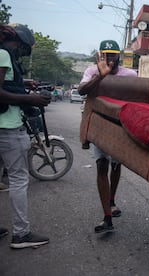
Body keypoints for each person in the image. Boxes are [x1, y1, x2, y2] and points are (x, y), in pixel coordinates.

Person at [0, 23, 51, 248]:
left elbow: (6, 83)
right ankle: (21, 234)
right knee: (19, 180)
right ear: (19, 43)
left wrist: (23, 84)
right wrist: (30, 99)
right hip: (8, 128)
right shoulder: (3, 53)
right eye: (24, 48)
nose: (22, 53)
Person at [78, 40, 137, 233]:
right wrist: (100, 76)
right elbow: (82, 91)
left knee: (116, 165)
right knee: (101, 166)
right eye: (106, 55)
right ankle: (107, 216)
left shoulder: (130, 74)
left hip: (120, 126)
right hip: (99, 125)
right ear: (100, 56)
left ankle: (112, 199)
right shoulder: (91, 71)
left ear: (119, 55)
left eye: (113, 55)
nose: (110, 59)